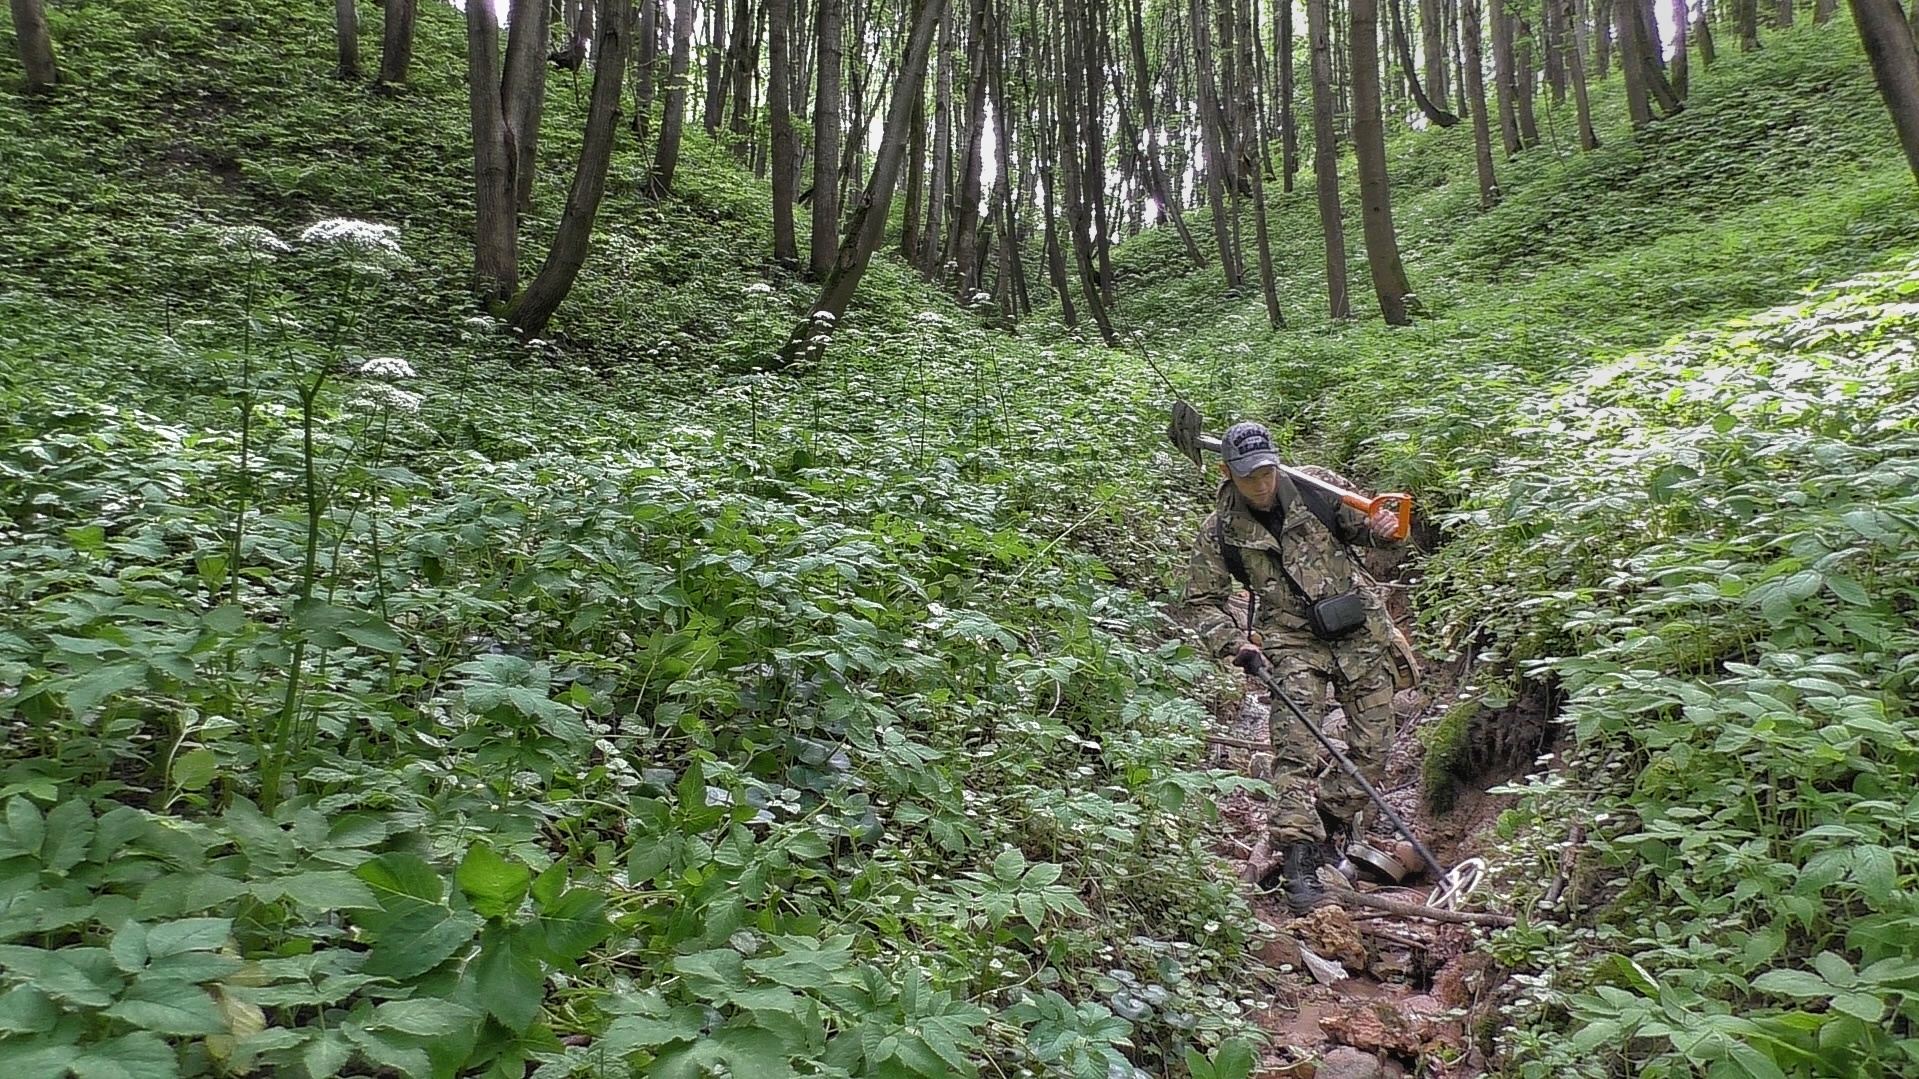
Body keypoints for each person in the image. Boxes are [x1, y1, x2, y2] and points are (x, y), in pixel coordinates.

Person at [1183, 421, 1408, 911]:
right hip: (1289, 641)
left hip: (1359, 631)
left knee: (1373, 747)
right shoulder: (1220, 529)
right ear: (1227, 473)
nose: (1262, 484)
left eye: (1267, 471)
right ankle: (1298, 858)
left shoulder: (1318, 490)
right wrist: (1234, 644)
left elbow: (1371, 533)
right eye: (1249, 476)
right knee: (1295, 749)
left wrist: (1386, 531)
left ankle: (1329, 823)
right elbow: (1202, 599)